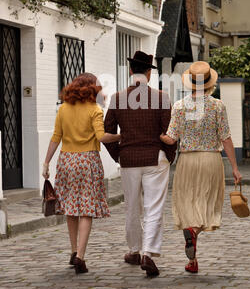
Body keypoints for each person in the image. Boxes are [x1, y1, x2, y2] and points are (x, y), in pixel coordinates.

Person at [160, 61, 242, 274]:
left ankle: (192, 258)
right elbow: (226, 138)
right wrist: (234, 167)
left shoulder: (179, 106)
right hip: (210, 160)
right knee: (207, 203)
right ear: (209, 83)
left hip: (187, 161)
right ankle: (194, 234)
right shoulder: (217, 106)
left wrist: (157, 136)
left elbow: (171, 139)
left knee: (188, 205)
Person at [104, 51, 177, 277]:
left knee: (132, 206)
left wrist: (119, 153)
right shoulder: (161, 97)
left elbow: (107, 133)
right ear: (148, 73)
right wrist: (169, 154)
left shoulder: (117, 98)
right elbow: (170, 131)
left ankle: (134, 250)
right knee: (154, 207)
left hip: (129, 159)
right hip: (155, 157)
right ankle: (148, 252)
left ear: (130, 71)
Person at [42, 73, 120, 274]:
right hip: (87, 161)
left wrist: (46, 161)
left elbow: (56, 137)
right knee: (86, 209)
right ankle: (80, 257)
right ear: (91, 89)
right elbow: (102, 137)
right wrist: (122, 135)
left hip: (66, 161)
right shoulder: (95, 110)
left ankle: (73, 249)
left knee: (70, 207)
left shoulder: (63, 109)